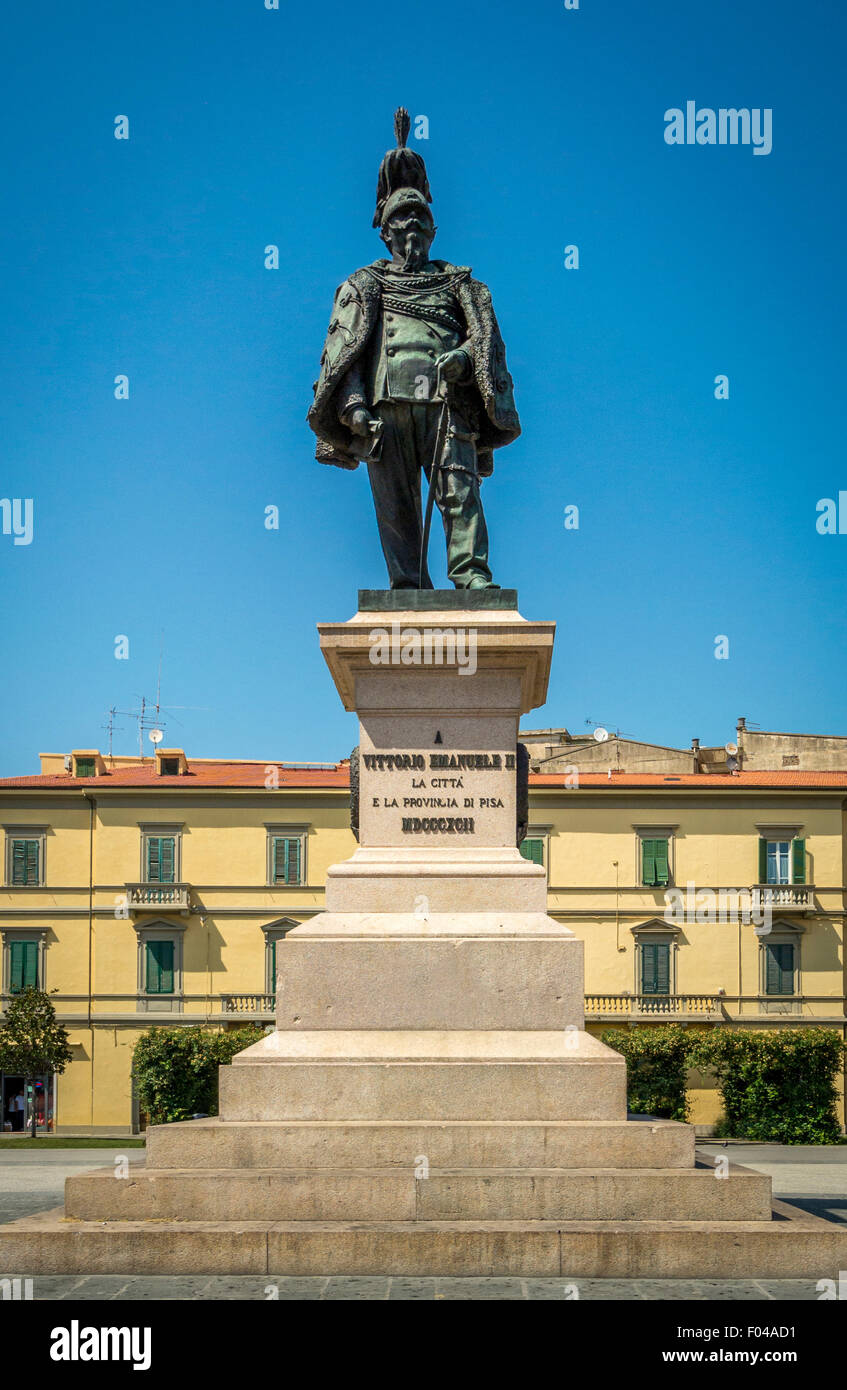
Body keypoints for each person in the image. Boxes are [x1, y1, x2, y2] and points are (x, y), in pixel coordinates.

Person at [308, 109, 520, 590]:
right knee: (395, 505)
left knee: (459, 491)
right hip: (387, 405)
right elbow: (348, 352)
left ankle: (471, 575)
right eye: (400, 217)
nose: (411, 226)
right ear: (384, 231)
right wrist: (353, 406)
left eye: (420, 218)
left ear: (434, 230)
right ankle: (407, 585)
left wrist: (465, 358)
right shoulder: (365, 284)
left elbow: (486, 338)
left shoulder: (461, 283)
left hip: (447, 403)